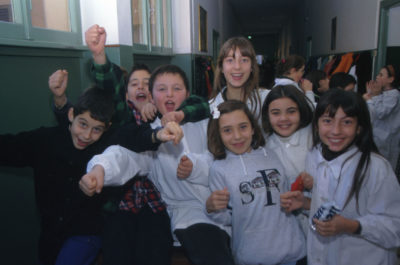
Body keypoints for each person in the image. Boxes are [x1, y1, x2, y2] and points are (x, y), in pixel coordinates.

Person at [0, 86, 180, 265]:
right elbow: (10, 147)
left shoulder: (109, 139)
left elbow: (135, 136)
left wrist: (157, 135)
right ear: (71, 115)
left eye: (96, 129)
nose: (86, 135)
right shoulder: (44, 140)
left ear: (106, 128)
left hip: (86, 233)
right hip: (50, 234)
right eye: (83, 124)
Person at [79, 64, 235, 265]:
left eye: (177, 89)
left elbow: (225, 156)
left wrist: (196, 168)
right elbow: (126, 156)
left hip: (230, 205)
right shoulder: (150, 135)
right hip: (190, 216)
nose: (169, 95)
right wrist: (99, 169)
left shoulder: (206, 122)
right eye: (162, 89)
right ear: (151, 98)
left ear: (188, 93)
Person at [280, 89, 400, 265]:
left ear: (359, 128)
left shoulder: (375, 168)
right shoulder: (314, 156)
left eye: (347, 122)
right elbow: (329, 205)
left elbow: (395, 227)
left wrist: (352, 226)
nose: (336, 131)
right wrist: (306, 204)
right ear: (316, 125)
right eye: (327, 121)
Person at [206, 100, 306, 265]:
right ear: (218, 134)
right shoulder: (219, 169)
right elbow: (227, 219)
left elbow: (287, 197)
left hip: (294, 252)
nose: (237, 136)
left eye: (243, 127)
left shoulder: (271, 154)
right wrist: (211, 208)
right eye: (227, 130)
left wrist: (300, 191)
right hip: (253, 257)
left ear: (253, 128)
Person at [85, 24, 209, 127]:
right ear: (126, 94)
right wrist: (99, 55)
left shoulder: (182, 111)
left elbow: (204, 105)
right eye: (134, 84)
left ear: (150, 94)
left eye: (146, 83)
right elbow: (112, 89)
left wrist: (181, 114)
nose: (140, 87)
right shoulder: (130, 119)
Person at [209, 36, 269, 122]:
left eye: (244, 60)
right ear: (221, 67)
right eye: (230, 60)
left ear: (252, 67)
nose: (237, 67)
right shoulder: (212, 107)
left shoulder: (266, 99)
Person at [363, 64, 400, 170]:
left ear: (391, 79)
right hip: (377, 139)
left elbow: (380, 112)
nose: (377, 77)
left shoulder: (394, 95)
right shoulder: (383, 93)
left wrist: (375, 95)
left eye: (381, 75)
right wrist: (371, 94)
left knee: (383, 169)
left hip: (386, 142)